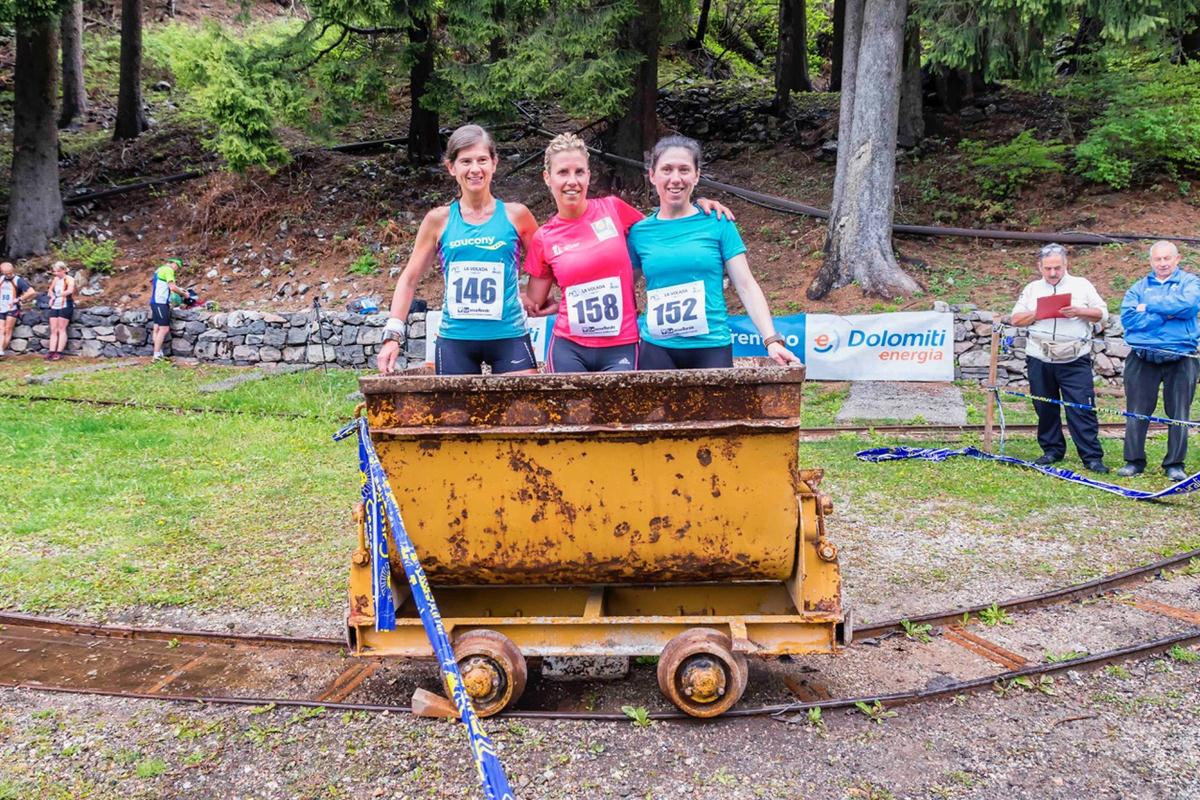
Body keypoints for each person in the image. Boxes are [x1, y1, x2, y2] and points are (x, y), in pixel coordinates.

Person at [523, 133, 734, 372]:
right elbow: (534, 303)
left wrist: (699, 206)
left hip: (621, 345)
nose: (572, 180)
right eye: (563, 172)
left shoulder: (613, 209)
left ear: (589, 176)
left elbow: (661, 230)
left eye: (579, 172)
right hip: (569, 346)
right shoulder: (544, 237)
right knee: (571, 411)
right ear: (547, 178)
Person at [627, 135, 801, 370]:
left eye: (684, 170)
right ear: (652, 175)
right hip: (657, 348)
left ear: (696, 176)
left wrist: (771, 340)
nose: (675, 178)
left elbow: (746, 285)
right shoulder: (639, 233)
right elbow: (622, 287)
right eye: (667, 169)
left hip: (711, 346)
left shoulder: (719, 222)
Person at [377, 125, 539, 375]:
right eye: (466, 161)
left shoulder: (517, 215)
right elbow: (409, 279)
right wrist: (392, 335)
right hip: (456, 340)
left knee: (523, 414)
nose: (475, 169)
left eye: (482, 160)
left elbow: (545, 263)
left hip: (510, 336)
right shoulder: (438, 220)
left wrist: (536, 297)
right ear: (451, 167)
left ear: (494, 163)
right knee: (455, 416)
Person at [1009, 243, 1110, 472]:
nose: (1053, 273)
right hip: (1039, 357)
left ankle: (1092, 457)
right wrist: (1038, 313)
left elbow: (1102, 313)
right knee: (1045, 407)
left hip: (1075, 357)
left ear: (1066, 265)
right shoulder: (1032, 289)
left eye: (1057, 268)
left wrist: (1079, 311)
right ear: (1039, 267)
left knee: (1081, 408)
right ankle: (1052, 450)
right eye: (1048, 269)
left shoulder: (1082, 285)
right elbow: (1015, 319)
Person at [1117, 240, 1200, 480]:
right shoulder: (1138, 287)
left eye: (1167, 258)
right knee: (1136, 411)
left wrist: (1149, 307)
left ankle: (1175, 464)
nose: (1162, 263)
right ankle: (1133, 461)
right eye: (1157, 259)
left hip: (1181, 356)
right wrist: (1167, 314)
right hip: (1143, 356)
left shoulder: (1191, 283)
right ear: (1151, 261)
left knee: (1179, 413)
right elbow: (1130, 321)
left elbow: (1188, 305)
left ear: (1177, 259)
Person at [150, 257, 186, 360]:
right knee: (164, 329)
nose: (177, 269)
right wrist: (184, 294)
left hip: (154, 302)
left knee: (156, 328)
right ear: (173, 264)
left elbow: (163, 285)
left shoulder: (160, 269)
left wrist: (179, 289)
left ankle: (158, 353)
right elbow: (172, 287)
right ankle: (156, 355)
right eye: (177, 267)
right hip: (161, 303)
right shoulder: (168, 270)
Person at [0, 261, 36, 357]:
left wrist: (19, 299)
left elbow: (31, 292)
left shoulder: (18, 280)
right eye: (6, 273)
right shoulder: (1, 279)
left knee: (8, 329)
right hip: (1, 307)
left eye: (9, 273)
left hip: (12, 308)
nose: (8, 275)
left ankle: (2, 350)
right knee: (1, 329)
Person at [46, 261, 76, 361]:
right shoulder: (55, 279)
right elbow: (50, 290)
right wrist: (51, 297)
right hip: (55, 305)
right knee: (53, 329)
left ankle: (59, 351)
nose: (56, 273)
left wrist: (58, 295)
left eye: (58, 271)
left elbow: (70, 291)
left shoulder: (69, 279)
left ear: (63, 270)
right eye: (55, 271)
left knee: (61, 328)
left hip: (65, 304)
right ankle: (51, 351)